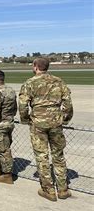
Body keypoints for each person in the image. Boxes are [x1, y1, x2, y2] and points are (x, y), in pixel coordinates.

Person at [19, 57, 73, 201]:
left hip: (38, 124)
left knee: (42, 156)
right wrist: (65, 119)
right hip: (56, 123)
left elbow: (23, 105)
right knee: (58, 155)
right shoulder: (58, 81)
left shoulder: (29, 83)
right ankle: (62, 189)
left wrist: (25, 119)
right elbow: (67, 103)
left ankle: (48, 190)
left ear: (36, 66)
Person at [0, 70, 17, 184]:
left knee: (3, 150)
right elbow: (15, 108)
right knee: (1, 147)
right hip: (9, 122)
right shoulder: (10, 90)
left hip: (0, 125)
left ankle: (7, 175)